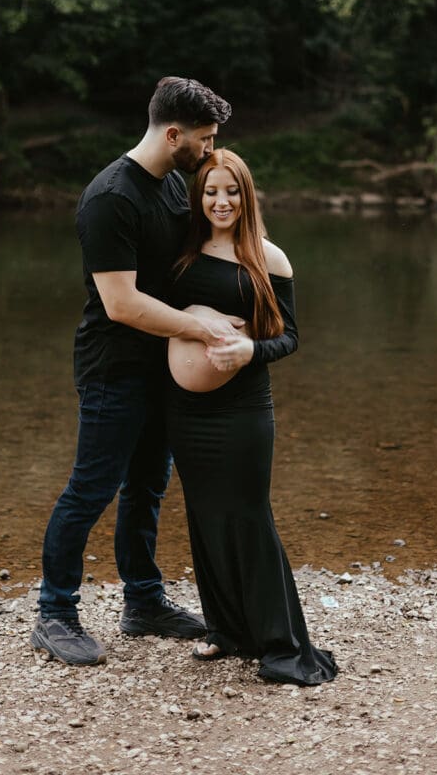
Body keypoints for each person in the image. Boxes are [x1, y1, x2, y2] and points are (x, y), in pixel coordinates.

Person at [31, 77, 235, 666]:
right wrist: (201, 330)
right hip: (112, 367)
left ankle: (143, 603)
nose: (211, 149)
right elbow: (122, 304)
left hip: (162, 366)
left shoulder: (173, 183)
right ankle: (55, 612)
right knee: (91, 488)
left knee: (146, 487)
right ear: (174, 134)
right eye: (205, 138)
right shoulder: (110, 198)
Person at [166, 148, 338, 686]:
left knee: (247, 514)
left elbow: (289, 337)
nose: (221, 201)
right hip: (186, 411)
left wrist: (248, 352)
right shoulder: (182, 252)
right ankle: (225, 628)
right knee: (204, 513)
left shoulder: (270, 258)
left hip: (243, 410)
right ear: (200, 196)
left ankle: (281, 643)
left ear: (247, 195)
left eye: (231, 191)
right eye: (211, 191)